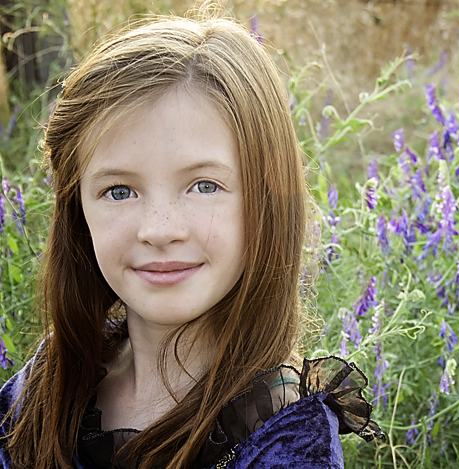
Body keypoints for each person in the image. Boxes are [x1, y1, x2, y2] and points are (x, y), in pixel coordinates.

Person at [0, 5, 383, 469]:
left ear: (266, 202)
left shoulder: (285, 438)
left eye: (205, 186)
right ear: (77, 210)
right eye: (118, 191)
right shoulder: (54, 377)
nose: (160, 230)